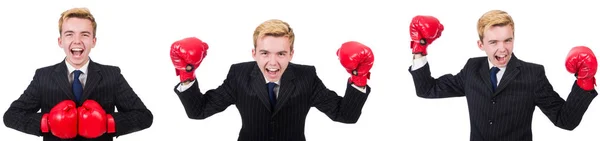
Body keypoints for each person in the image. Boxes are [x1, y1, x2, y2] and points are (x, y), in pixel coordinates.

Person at [170, 19, 374, 141]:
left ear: (292, 54)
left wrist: (359, 78)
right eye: (265, 53)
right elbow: (199, 111)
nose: (273, 62)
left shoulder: (306, 77)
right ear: (254, 53)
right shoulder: (238, 75)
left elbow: (345, 116)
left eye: (281, 54)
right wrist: (186, 74)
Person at [408, 10, 597, 141]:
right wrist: (419, 47)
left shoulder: (533, 74)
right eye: (493, 42)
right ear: (481, 45)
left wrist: (585, 81)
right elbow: (427, 89)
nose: (502, 48)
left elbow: (566, 121)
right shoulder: (472, 69)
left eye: (508, 40)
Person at [3, 7, 153, 141]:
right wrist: (47, 123)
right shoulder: (43, 76)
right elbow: (11, 116)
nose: (77, 41)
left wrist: (108, 123)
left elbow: (144, 116)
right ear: (60, 41)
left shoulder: (112, 75)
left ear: (93, 41)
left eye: (85, 35)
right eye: (69, 34)